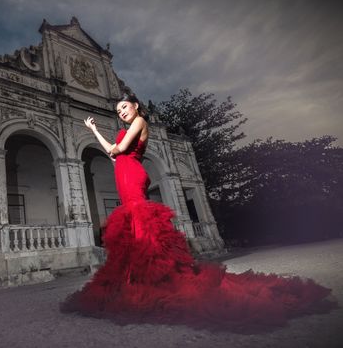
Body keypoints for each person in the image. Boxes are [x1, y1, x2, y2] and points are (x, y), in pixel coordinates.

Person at [60, 93, 338, 333]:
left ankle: (157, 282)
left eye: (124, 107)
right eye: (118, 111)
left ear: (136, 108)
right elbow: (111, 153)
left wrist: (113, 145)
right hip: (123, 173)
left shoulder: (141, 122)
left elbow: (119, 149)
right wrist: (94, 130)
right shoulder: (125, 127)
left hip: (132, 174)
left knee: (144, 227)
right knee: (135, 230)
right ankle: (139, 281)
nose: (121, 112)